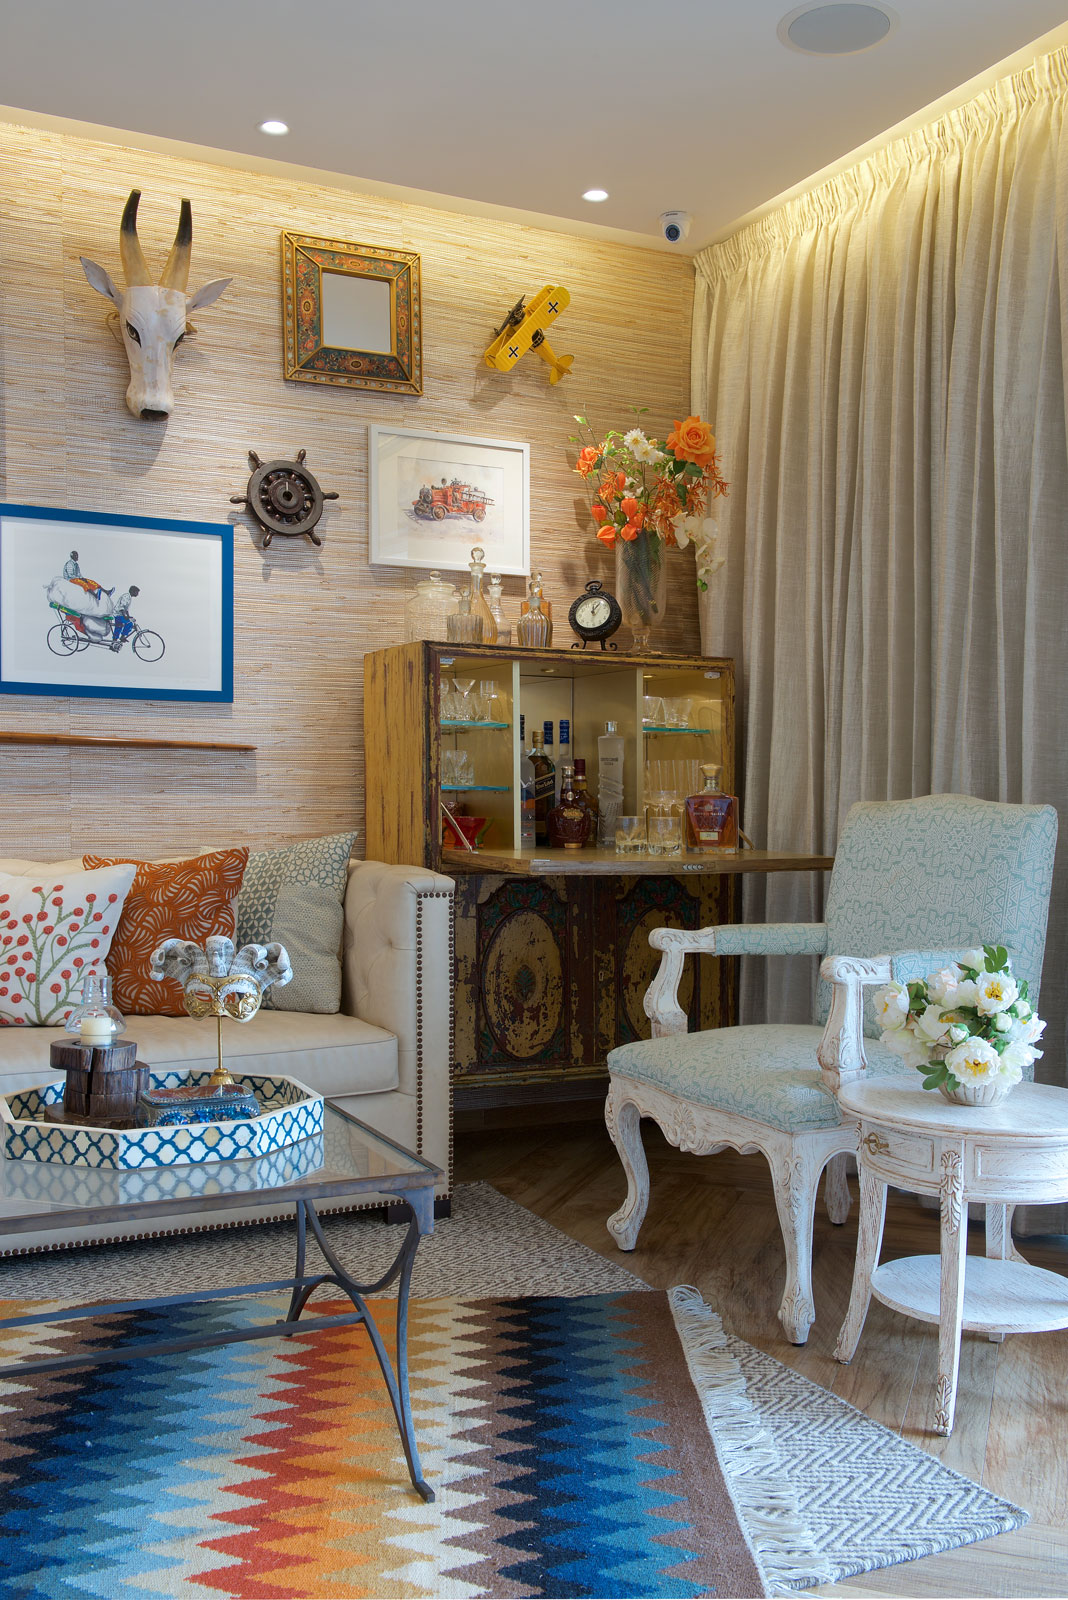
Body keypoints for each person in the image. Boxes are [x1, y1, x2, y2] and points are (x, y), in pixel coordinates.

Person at [109, 585, 140, 650]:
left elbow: (126, 610)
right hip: (118, 614)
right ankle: (123, 636)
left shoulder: (129, 597)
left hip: (119, 614)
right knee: (130, 624)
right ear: (133, 591)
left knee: (119, 627)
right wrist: (125, 616)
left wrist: (128, 616)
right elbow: (122, 607)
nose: (137, 594)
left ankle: (113, 643)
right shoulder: (126, 596)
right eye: (137, 592)